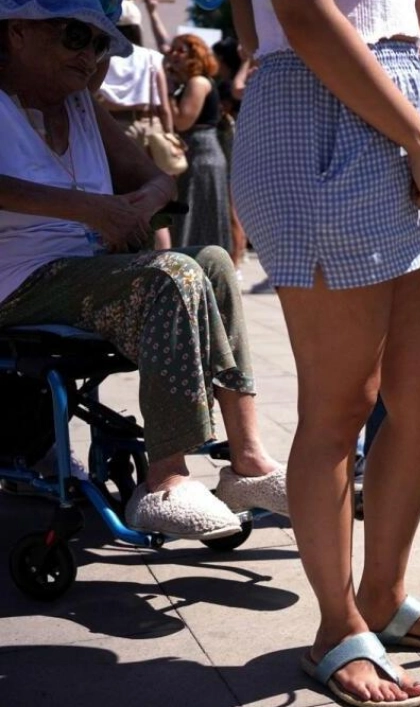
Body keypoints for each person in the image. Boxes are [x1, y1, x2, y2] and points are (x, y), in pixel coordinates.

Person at [229, 1, 420, 705]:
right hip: (317, 101)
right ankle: (336, 627)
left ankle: (382, 594)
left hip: (411, 105)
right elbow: (302, 17)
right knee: (342, 399)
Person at [0, 0, 287, 540]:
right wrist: (89, 209)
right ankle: (165, 480)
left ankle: (247, 461)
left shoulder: (82, 106)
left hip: (85, 268)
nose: (90, 55)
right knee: (170, 275)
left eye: (100, 42)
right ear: (16, 31)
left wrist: (138, 202)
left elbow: (158, 179)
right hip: (17, 280)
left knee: (213, 261)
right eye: (75, 36)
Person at [95, 0, 174, 251]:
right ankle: (164, 255)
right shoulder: (152, 57)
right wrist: (170, 134)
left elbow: (96, 93)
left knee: (120, 195)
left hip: (114, 124)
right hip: (151, 125)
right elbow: (163, 103)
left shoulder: (104, 56)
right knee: (155, 203)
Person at [167, 33, 231, 253]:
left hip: (201, 152)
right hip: (199, 151)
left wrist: (166, 95)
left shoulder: (197, 82)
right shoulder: (189, 83)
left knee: (196, 212)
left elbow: (183, 122)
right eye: (172, 50)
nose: (173, 55)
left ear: (195, 55)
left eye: (180, 50)